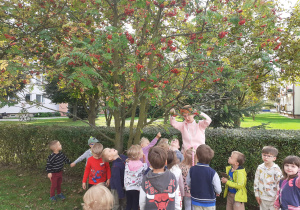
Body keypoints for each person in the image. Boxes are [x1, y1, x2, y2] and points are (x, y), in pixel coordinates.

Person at [186, 144, 221, 209]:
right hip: (209, 202)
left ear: (196, 156)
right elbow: (218, 188)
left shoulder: (192, 170)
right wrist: (218, 192)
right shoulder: (213, 173)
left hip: (196, 200)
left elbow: (188, 182)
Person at [124, 145, 147, 210]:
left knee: (128, 204)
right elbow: (145, 170)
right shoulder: (140, 164)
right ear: (139, 155)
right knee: (135, 205)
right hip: (137, 188)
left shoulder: (128, 163)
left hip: (128, 187)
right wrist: (144, 161)